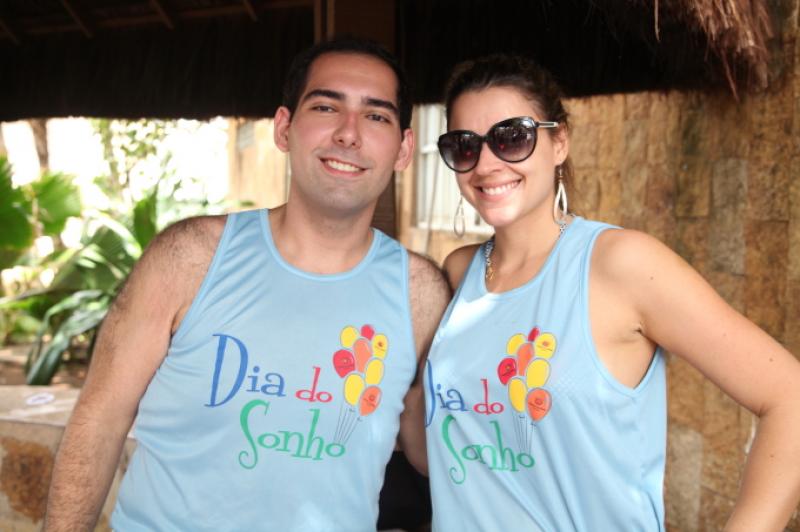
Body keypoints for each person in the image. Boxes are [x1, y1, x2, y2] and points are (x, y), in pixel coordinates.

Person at [44, 38, 449, 531]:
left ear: (403, 149)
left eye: (376, 116)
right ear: (283, 128)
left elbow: (442, 446)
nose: (349, 133)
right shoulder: (190, 257)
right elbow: (100, 420)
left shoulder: (420, 294)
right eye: (326, 107)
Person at [423, 54, 800, 531]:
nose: (486, 163)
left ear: (559, 142)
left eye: (512, 137)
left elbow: (789, 396)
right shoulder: (460, 273)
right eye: (464, 146)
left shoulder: (620, 264)